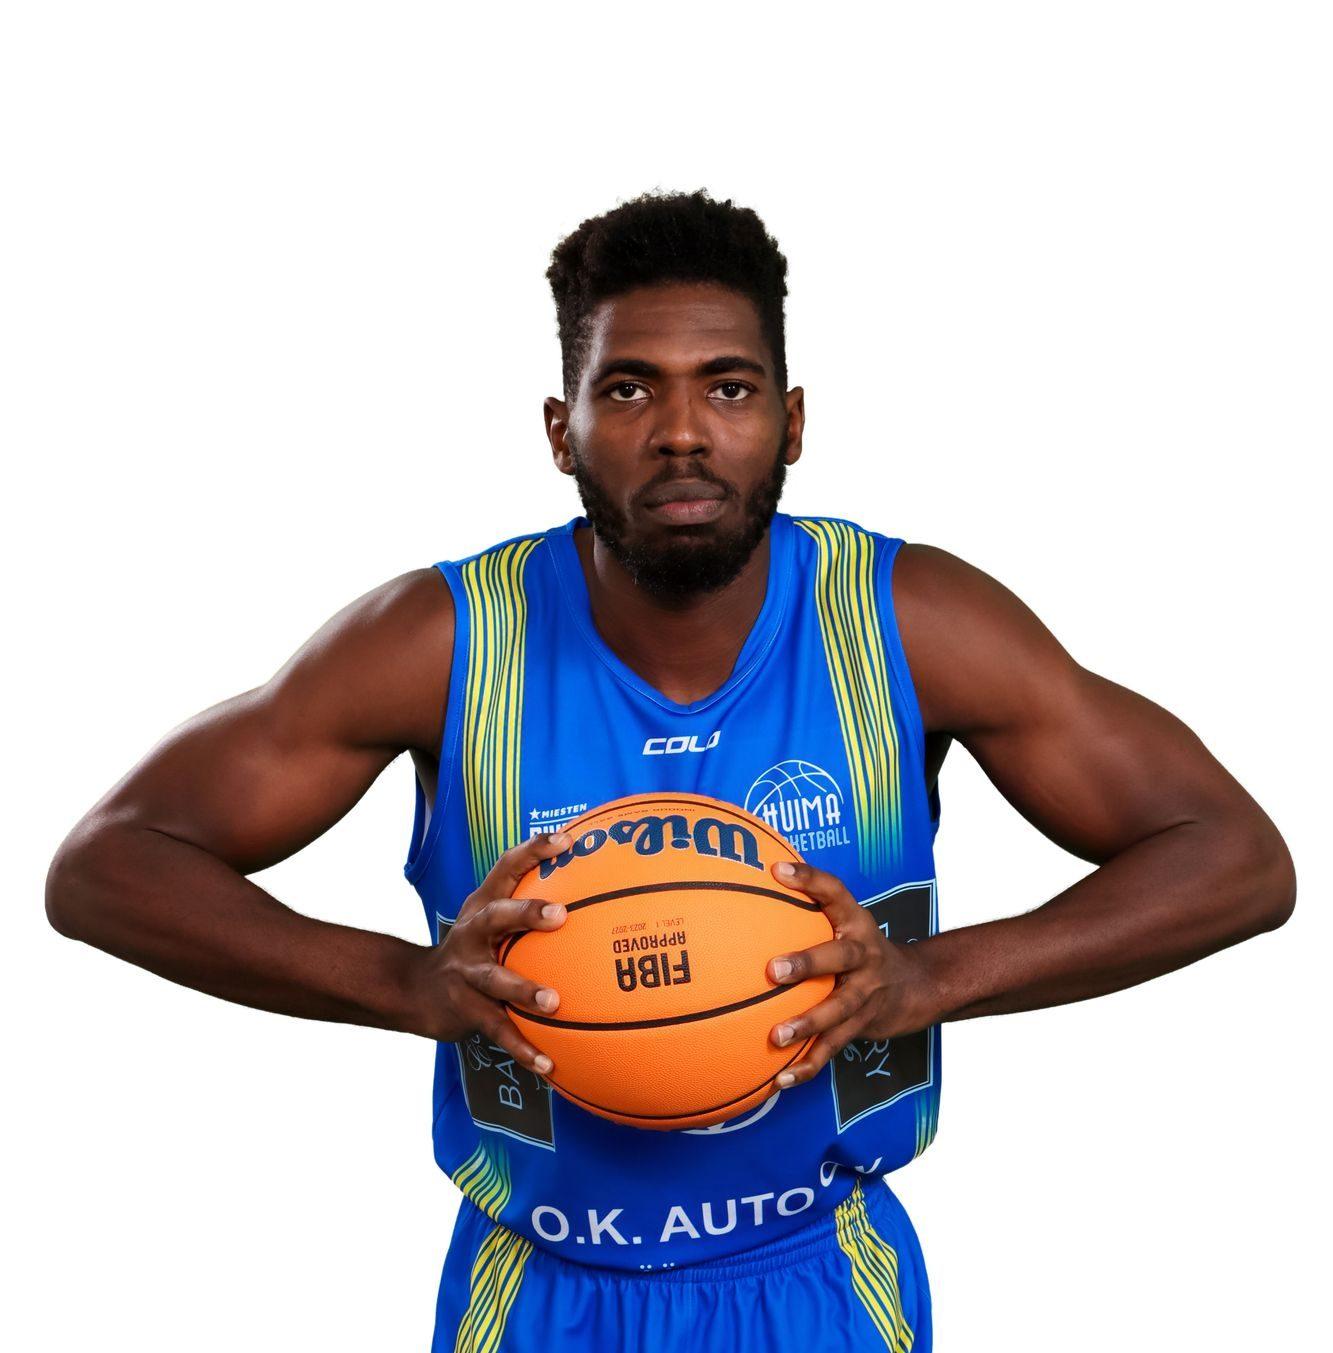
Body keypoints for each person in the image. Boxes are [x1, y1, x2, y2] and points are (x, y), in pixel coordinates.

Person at [46, 191, 1295, 1352]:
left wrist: (933, 976)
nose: (684, 432)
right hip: (538, 1287)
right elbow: (107, 867)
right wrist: (402, 982)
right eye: (630, 388)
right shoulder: (441, 643)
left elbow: (1234, 858)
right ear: (562, 431)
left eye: (728, 388)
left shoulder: (909, 624)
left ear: (791, 421)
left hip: (821, 1279)